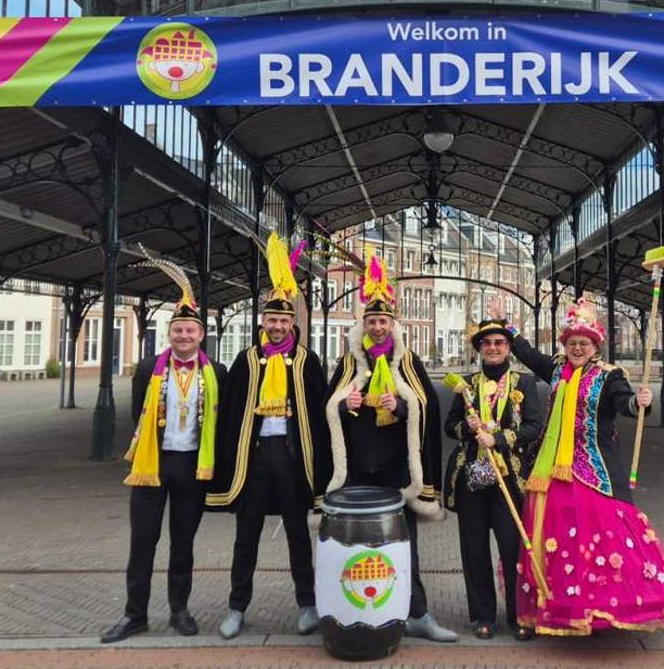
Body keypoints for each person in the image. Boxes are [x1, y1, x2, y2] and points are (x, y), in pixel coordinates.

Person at [489, 295, 664, 637]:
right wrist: (506, 326)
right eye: (573, 342)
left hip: (595, 472)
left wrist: (639, 403)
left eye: (584, 343)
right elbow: (528, 354)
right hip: (550, 472)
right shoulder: (557, 370)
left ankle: (600, 608)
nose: (578, 348)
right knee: (552, 543)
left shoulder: (608, 376)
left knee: (602, 543)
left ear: (595, 345)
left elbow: (624, 402)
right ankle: (550, 609)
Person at [325, 249, 456, 642]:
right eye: (372, 321)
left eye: (383, 321)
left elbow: (427, 408)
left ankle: (417, 612)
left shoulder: (408, 362)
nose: (378, 327)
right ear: (363, 324)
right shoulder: (349, 363)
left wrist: (400, 406)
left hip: (396, 471)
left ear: (392, 324)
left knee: (404, 547)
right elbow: (326, 406)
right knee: (354, 545)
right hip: (357, 473)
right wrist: (342, 404)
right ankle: (351, 611)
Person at [206, 234, 333, 639]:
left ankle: (307, 605)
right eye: (271, 320)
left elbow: (320, 412)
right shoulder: (246, 360)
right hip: (256, 457)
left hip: (294, 458)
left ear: (292, 323)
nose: (277, 327)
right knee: (246, 538)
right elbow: (229, 416)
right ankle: (236, 607)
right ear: (262, 322)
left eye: (283, 321)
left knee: (298, 535)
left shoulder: (308, 361)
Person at [102, 255, 226, 643]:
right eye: (178, 331)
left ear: (201, 335)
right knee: (142, 542)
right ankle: (133, 614)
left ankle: (179, 610)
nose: (183, 337)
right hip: (152, 466)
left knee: (183, 543)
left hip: (192, 466)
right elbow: (137, 417)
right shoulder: (147, 369)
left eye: (190, 331)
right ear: (169, 333)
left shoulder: (216, 373)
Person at [443, 318, 545, 641]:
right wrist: (467, 428)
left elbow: (533, 427)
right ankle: (483, 615)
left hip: (508, 480)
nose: (493, 348)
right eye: (487, 344)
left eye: (499, 343)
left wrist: (499, 438)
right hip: (472, 477)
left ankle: (519, 616)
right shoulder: (466, 385)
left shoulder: (525, 384)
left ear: (508, 348)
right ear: (479, 349)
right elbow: (450, 425)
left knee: (512, 548)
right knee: (474, 549)